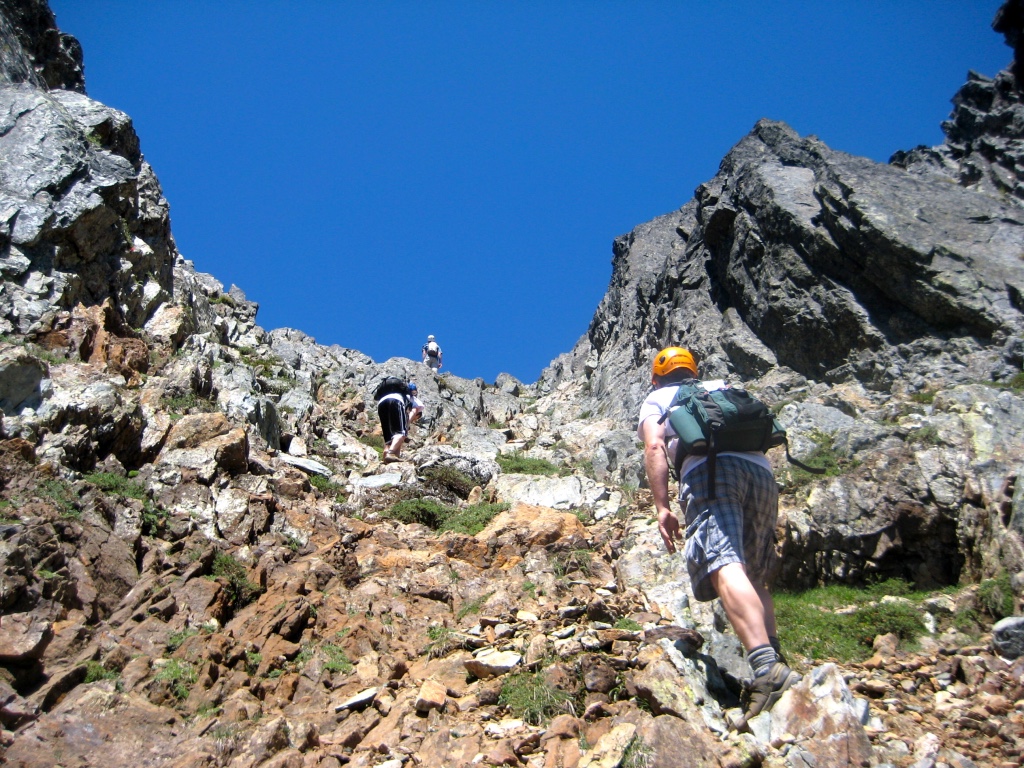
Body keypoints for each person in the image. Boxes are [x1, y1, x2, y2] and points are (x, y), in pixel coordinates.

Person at [637, 346, 801, 729]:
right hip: (761, 473)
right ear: (693, 371)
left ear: (656, 377)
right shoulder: (721, 386)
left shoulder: (658, 397)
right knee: (754, 575)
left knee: (724, 562)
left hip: (712, 473)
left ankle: (765, 668)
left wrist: (662, 506)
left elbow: (655, 445)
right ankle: (775, 663)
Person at [378, 381, 424, 463]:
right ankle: (390, 453)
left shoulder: (401, 395)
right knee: (401, 433)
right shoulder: (413, 399)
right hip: (395, 402)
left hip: (381, 403)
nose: (415, 419)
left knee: (390, 437)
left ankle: (388, 455)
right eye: (416, 418)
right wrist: (407, 423)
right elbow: (415, 409)